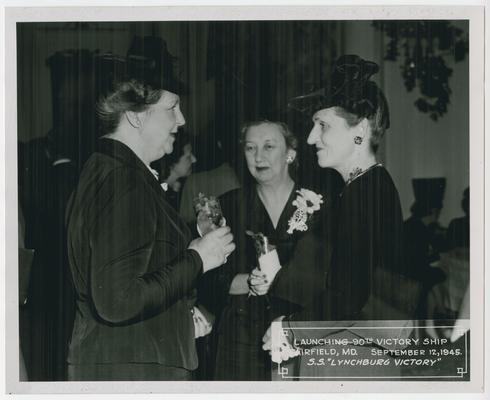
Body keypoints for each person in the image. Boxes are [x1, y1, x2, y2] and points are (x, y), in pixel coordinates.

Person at [65, 78, 235, 381]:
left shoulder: (105, 168)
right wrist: (197, 259)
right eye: (172, 108)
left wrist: (178, 316)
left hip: (122, 360)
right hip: (135, 369)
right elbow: (117, 301)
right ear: (136, 115)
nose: (182, 120)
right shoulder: (125, 181)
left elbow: (138, 263)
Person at [263, 55, 417, 378]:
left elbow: (348, 297)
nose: (310, 138)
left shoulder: (367, 192)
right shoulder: (364, 187)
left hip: (349, 364)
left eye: (323, 126)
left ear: (359, 129)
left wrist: (290, 330)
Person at [200, 120, 328, 380]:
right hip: (240, 340)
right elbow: (205, 280)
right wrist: (247, 281)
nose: (258, 156)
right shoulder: (227, 207)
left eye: (269, 146)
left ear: (290, 153)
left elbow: (335, 282)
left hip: (302, 333)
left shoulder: (320, 208)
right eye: (250, 148)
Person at [152, 130, 197, 210]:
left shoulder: (175, 188)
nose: (194, 160)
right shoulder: (156, 196)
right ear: (172, 162)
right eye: (188, 157)